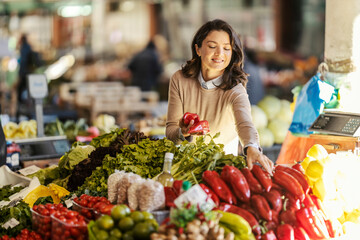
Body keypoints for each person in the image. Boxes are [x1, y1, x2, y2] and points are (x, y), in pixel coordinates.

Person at [165, 19, 273, 174]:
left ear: (232, 52)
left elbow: (245, 123)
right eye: (212, 46)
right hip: (184, 169)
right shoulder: (179, 79)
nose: (219, 54)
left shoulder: (235, 89)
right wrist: (183, 132)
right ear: (198, 49)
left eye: (226, 48)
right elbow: (170, 133)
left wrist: (252, 147)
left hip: (223, 172)